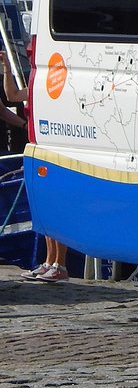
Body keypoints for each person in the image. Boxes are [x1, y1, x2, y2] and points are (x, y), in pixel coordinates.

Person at [2, 52, 68, 283]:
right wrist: (7, 70)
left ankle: (60, 264)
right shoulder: (37, 87)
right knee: (43, 209)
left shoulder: (56, 91)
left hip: (53, 151)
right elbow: (12, 95)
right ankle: (49, 261)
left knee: (56, 208)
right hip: (37, 150)